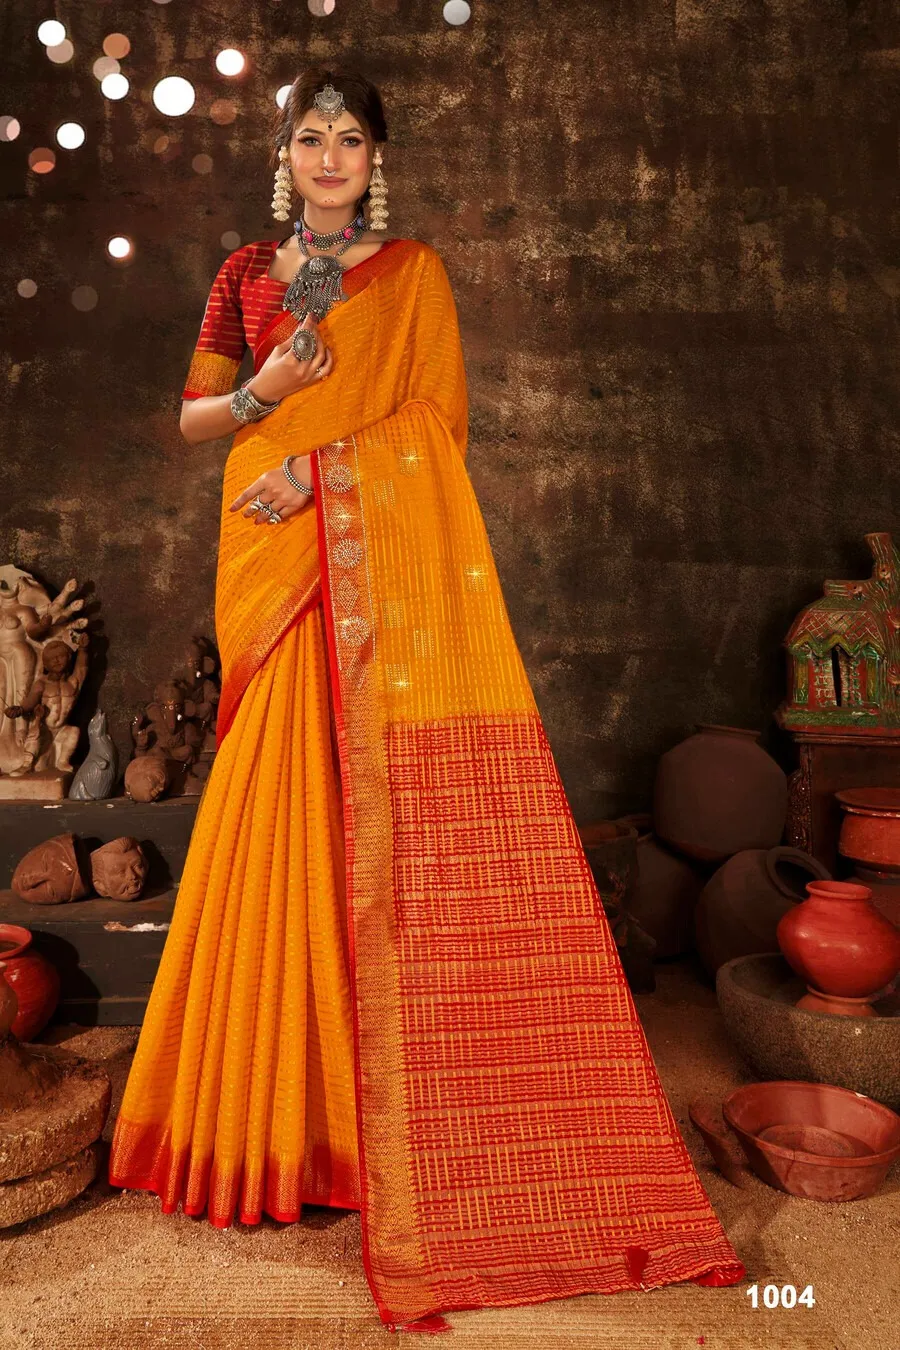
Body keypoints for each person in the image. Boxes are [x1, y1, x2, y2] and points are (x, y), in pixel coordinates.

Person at [107, 64, 747, 1334]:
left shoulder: (416, 277)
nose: (329, 156)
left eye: (350, 138)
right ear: (284, 156)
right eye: (310, 136)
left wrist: (323, 469)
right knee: (277, 816)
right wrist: (269, 398)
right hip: (268, 560)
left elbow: (434, 426)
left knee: (380, 828)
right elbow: (193, 420)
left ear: (376, 158)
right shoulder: (245, 274)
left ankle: (376, 1128)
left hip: (357, 554)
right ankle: (263, 1122)